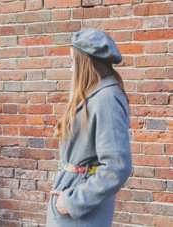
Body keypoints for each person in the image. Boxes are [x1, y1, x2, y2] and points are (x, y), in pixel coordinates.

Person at [47, 29, 132, 226]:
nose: (70, 70)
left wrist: (73, 201)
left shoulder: (106, 99)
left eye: (72, 62)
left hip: (80, 212)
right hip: (72, 203)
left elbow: (117, 166)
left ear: (84, 64)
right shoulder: (95, 95)